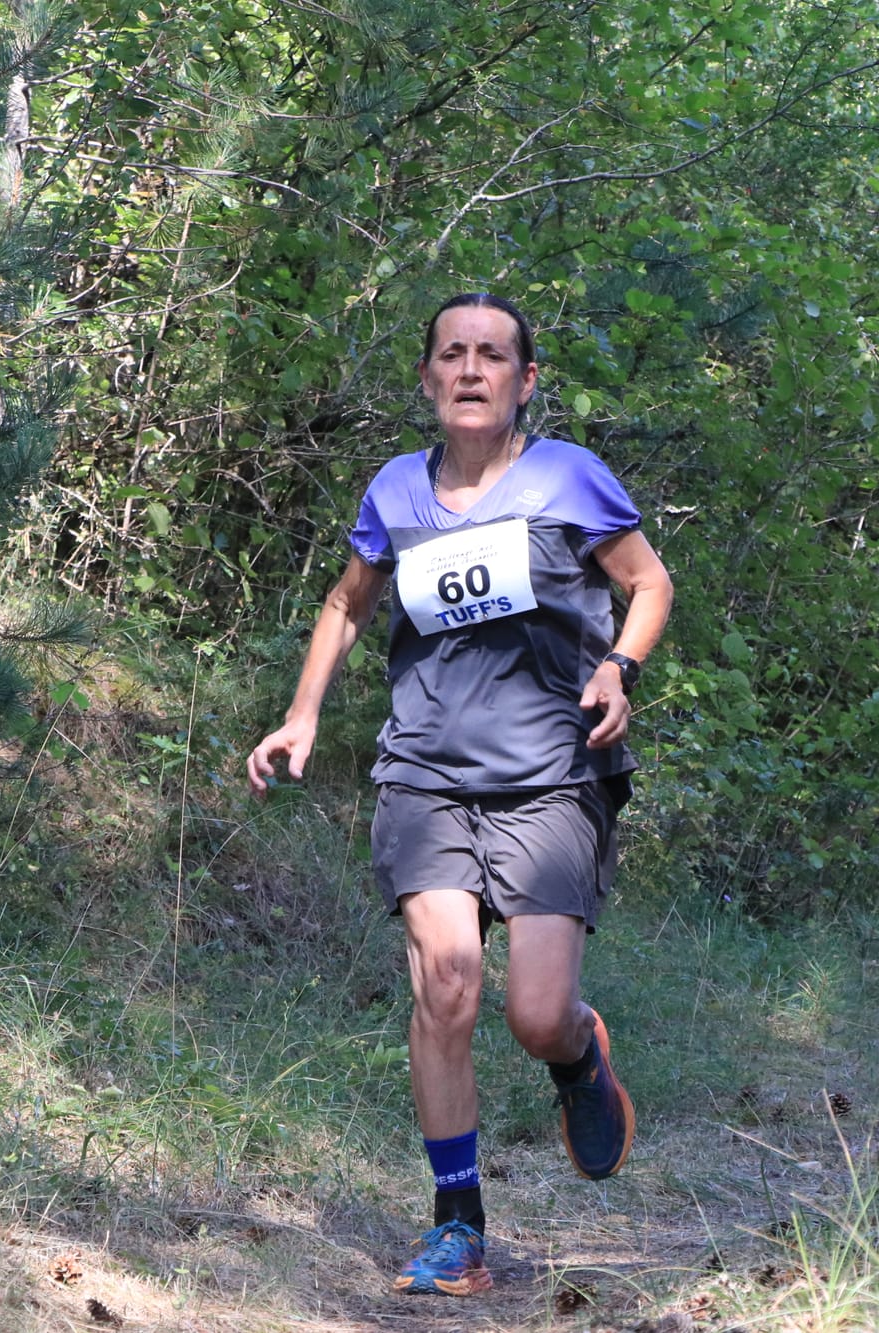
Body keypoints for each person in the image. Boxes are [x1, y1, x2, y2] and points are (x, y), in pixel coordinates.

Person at [246, 293, 673, 1297]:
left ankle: (576, 1055)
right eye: (452, 354)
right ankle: (457, 1228)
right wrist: (303, 713)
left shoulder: (569, 476)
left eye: (493, 355)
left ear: (524, 381)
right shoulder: (395, 490)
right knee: (444, 980)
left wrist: (618, 665)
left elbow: (648, 584)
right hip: (425, 776)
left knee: (532, 1013)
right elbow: (348, 601)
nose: (471, 369)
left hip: (551, 778)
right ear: (429, 379)